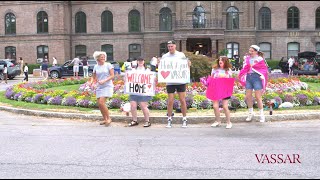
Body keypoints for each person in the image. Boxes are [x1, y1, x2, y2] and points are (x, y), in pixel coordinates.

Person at [161, 40, 191, 128]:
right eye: (169, 46)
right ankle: (169, 119)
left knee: (182, 100)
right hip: (170, 81)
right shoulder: (165, 56)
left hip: (180, 81)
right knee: (170, 101)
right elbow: (162, 67)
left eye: (171, 46)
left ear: (175, 46)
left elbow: (185, 66)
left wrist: (188, 65)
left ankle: (184, 118)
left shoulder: (181, 55)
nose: (170, 48)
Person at [238, 45, 269, 123]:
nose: (250, 52)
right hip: (249, 78)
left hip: (257, 78)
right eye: (250, 51)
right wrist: (242, 75)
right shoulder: (247, 59)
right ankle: (251, 113)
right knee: (248, 96)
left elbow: (264, 69)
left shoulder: (260, 59)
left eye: (252, 51)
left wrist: (262, 75)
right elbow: (245, 68)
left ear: (256, 52)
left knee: (258, 97)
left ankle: (261, 115)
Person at [127, 57, 153, 128]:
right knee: (133, 106)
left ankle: (147, 121)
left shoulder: (147, 70)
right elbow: (128, 78)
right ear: (137, 62)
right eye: (139, 61)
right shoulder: (133, 70)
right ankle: (134, 120)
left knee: (143, 106)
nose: (140, 62)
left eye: (142, 61)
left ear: (144, 62)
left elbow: (151, 79)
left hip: (143, 91)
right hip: (134, 90)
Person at [91, 51, 115, 126]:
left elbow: (112, 76)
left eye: (104, 57)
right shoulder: (96, 66)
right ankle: (105, 119)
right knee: (100, 104)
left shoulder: (108, 65)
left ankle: (108, 118)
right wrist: (93, 83)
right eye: (102, 57)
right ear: (97, 58)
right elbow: (94, 77)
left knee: (102, 102)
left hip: (107, 86)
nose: (103, 58)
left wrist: (104, 80)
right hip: (99, 86)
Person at [210, 56, 233, 129]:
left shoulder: (228, 70)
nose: (220, 61)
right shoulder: (214, 69)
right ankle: (217, 121)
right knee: (215, 106)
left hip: (225, 89)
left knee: (225, 106)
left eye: (222, 60)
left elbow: (230, 80)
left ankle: (229, 122)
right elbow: (211, 78)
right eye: (219, 60)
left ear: (225, 62)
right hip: (215, 88)